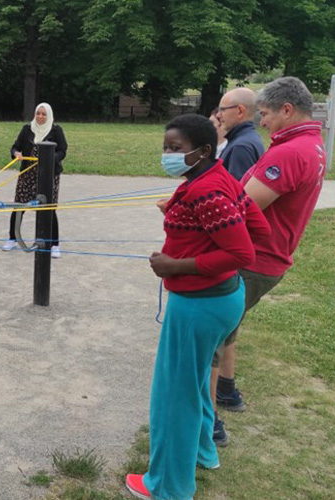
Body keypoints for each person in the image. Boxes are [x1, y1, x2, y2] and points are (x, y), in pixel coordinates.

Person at [125, 114, 269, 500]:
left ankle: (168, 487)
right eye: (165, 147)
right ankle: (205, 452)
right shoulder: (218, 179)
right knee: (192, 386)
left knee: (176, 394)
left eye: (176, 149)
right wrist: (188, 221)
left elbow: (242, 249)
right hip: (223, 299)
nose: (168, 155)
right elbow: (259, 228)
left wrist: (177, 265)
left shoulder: (207, 192)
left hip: (200, 305)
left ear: (203, 151)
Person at [210, 77, 327, 444]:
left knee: (209, 337)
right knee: (229, 325)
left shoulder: (289, 153)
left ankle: (208, 421)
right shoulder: (309, 145)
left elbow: (240, 209)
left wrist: (191, 210)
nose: (262, 123)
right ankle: (227, 390)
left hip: (253, 258)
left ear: (287, 110)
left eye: (266, 114)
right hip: (268, 259)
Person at [2, 103, 68, 258]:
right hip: (27, 174)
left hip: (48, 176)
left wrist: (51, 159)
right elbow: (15, 147)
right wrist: (16, 153)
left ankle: (54, 244)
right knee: (18, 206)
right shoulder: (27, 129)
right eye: (38, 113)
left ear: (49, 115)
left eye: (44, 114)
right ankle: (13, 238)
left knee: (48, 209)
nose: (40, 116)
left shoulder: (56, 130)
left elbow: (63, 150)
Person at [217, 87, 265, 180]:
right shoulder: (250, 138)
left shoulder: (240, 146)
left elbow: (237, 191)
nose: (218, 115)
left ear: (240, 111)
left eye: (222, 110)